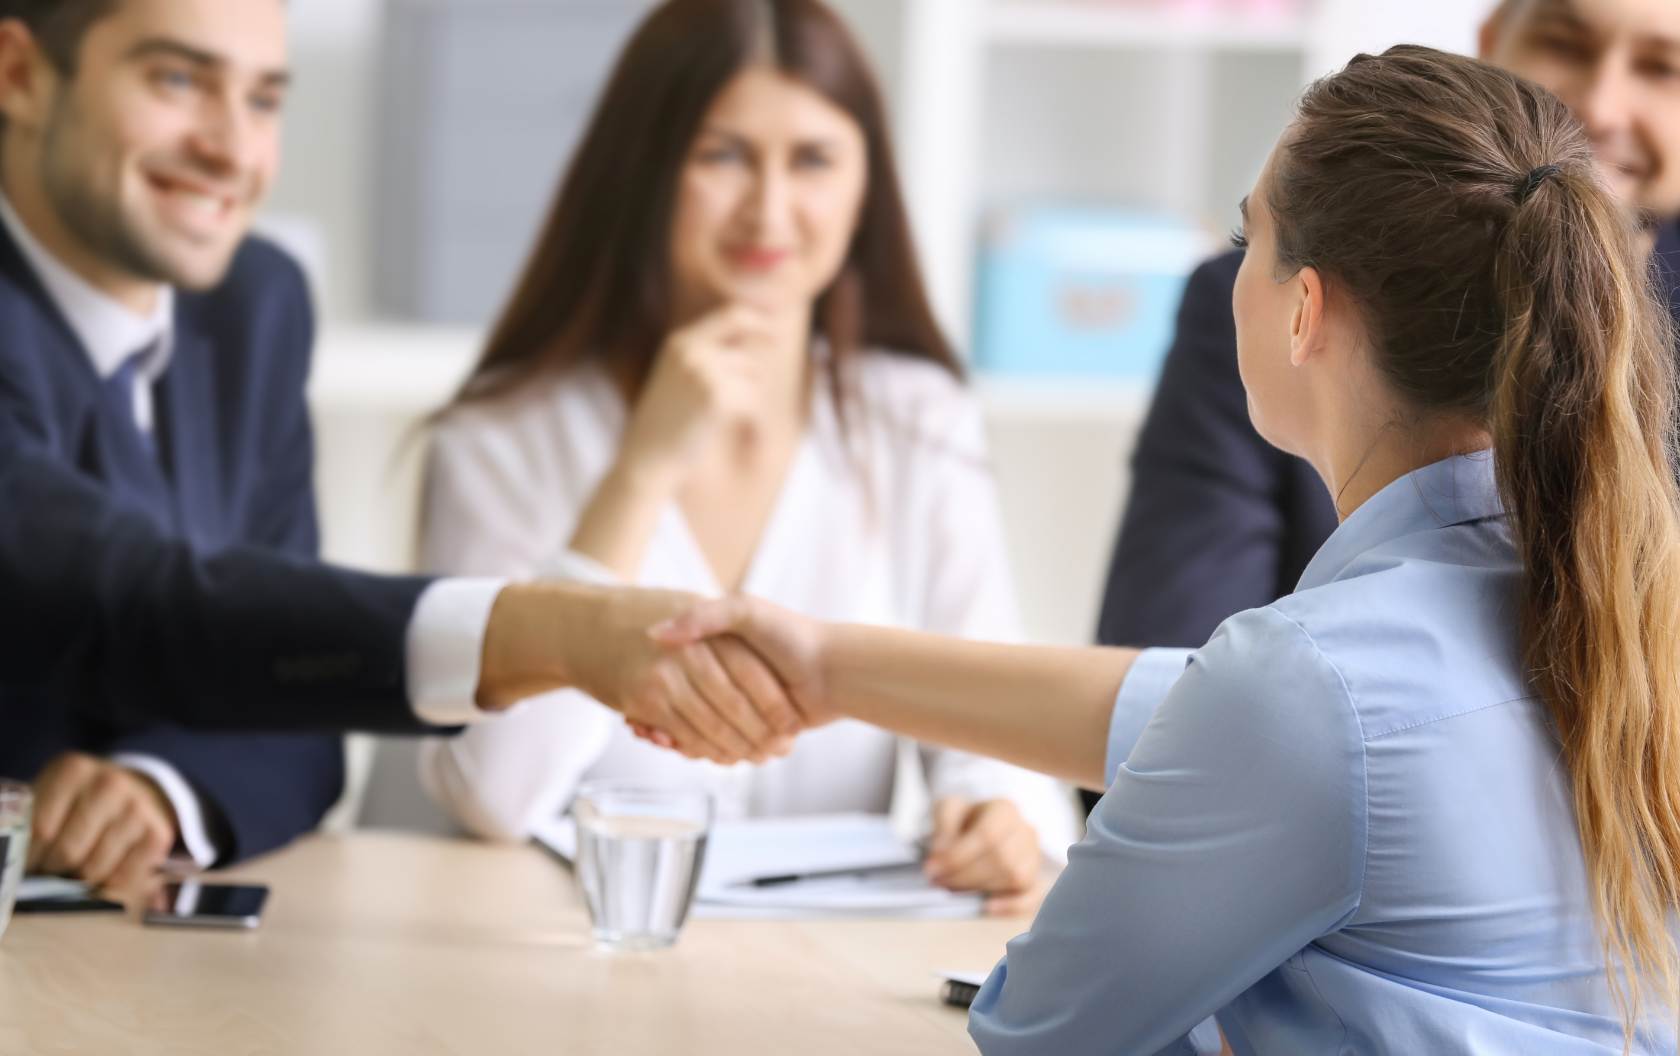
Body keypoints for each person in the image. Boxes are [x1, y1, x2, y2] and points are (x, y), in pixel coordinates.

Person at [644, 45, 1680, 1053]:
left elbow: (1040, 1026)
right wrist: (829, 668)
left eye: (1249, 239)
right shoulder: (1605, 614)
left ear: (1304, 312)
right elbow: (1200, 713)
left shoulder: (1317, 682)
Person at [0, 0, 796, 893]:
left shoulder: (251, 306)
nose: (232, 148)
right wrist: (546, 628)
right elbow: (135, 595)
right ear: (20, 76)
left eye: (264, 100)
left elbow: (294, 694)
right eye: (177, 79)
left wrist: (162, 791)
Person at [416, 0, 1076, 910]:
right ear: (643, 175)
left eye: (812, 160)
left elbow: (998, 712)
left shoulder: (917, 419)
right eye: (721, 155)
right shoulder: (500, 437)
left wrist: (986, 805)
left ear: (862, 190)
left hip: (819, 976)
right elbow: (491, 795)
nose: (770, 208)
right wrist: (640, 471)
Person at [1095, 0, 1680, 692]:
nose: (1602, 107)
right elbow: (1172, 664)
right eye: (1565, 43)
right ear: (1492, 39)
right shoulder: (1269, 289)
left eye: (1662, 68)